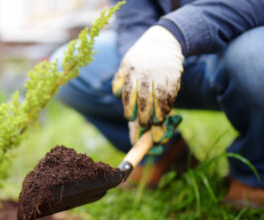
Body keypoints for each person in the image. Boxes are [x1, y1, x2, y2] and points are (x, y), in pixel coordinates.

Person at [51, 0, 264, 208]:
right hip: (167, 54)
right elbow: (132, 19)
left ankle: (255, 173)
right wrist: (140, 69)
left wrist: (174, 32)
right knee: (67, 67)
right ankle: (164, 153)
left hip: (238, 46)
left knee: (255, 57)